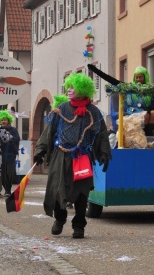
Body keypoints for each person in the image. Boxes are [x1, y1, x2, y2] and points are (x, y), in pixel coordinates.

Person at [33, 73, 112, 239]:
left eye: (73, 88)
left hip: (82, 157)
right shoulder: (61, 108)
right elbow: (49, 132)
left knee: (82, 193)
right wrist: (40, 150)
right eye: (68, 87)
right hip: (60, 156)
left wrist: (104, 153)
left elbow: (101, 134)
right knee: (57, 190)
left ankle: (79, 226)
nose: (68, 90)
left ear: (82, 90)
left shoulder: (93, 112)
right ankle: (59, 219)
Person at [124, 66, 154, 136]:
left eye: (140, 77)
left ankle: (150, 137)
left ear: (145, 77)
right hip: (132, 110)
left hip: (146, 110)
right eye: (136, 77)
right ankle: (143, 136)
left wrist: (148, 109)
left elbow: (153, 105)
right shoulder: (130, 89)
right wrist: (143, 111)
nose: (138, 79)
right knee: (145, 114)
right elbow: (128, 104)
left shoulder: (150, 89)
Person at [0, 110, 20, 197]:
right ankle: (5, 189)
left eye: (5, 119)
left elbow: (17, 139)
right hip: (0, 155)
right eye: (2, 119)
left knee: (9, 173)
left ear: (8, 121)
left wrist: (10, 137)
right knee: (2, 173)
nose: (3, 121)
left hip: (10, 154)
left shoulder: (13, 130)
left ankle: (8, 189)